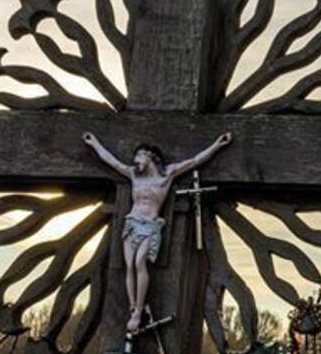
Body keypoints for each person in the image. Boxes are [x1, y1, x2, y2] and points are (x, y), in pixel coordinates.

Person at [83, 131, 233, 331]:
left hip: (151, 225)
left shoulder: (167, 174)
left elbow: (195, 161)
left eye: (139, 156)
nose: (136, 162)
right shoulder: (134, 174)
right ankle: (133, 307)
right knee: (129, 266)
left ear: (149, 156)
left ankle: (138, 312)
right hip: (132, 223)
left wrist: (217, 145)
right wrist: (94, 143)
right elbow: (112, 162)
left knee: (139, 262)